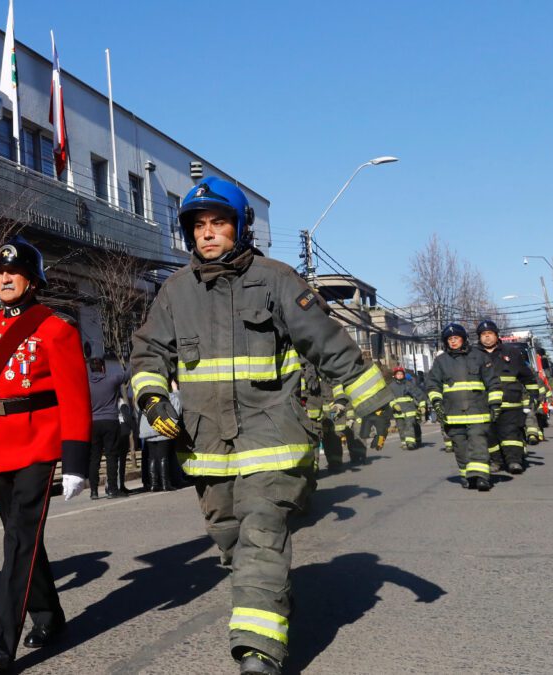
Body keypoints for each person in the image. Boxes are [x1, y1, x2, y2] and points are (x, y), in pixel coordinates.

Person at [129, 177, 392, 675]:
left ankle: (258, 652)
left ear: (241, 227)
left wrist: (373, 398)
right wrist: (151, 394)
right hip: (207, 446)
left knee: (261, 534)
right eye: (199, 226)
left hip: (274, 437)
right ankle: (268, 601)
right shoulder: (174, 292)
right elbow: (147, 353)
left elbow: (326, 341)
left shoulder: (277, 280)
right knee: (231, 541)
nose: (208, 234)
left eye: (219, 223)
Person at [0, 236, 91, 671]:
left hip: (36, 444)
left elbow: (75, 396)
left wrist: (76, 462)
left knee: (18, 542)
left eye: (13, 273)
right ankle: (50, 616)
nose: (4, 279)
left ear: (31, 279)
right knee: (23, 540)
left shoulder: (54, 327)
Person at [425, 323, 501, 491]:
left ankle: (482, 477)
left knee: (478, 443)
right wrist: (437, 403)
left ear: (463, 339)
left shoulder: (479, 357)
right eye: (450, 339)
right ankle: (468, 476)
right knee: (460, 447)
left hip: (478, 412)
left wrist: (495, 404)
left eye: (456, 338)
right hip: (452, 415)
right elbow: (432, 385)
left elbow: (493, 382)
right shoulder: (440, 361)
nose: (453, 342)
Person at [475, 321, 537, 474]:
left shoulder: (512, 353)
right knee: (490, 435)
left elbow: (527, 377)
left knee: (510, 433)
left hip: (510, 402)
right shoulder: (474, 356)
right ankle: (496, 461)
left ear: (497, 335)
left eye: (490, 334)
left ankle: (514, 461)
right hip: (484, 404)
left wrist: (534, 396)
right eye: (483, 334)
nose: (487, 337)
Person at [87, 356, 128, 499]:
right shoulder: (112, 379)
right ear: (103, 367)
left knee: (94, 457)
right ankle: (112, 489)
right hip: (111, 421)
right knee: (111, 456)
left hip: (93, 423)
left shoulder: (87, 384)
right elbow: (127, 374)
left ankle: (93, 491)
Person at [138, 386, 181, 491]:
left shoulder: (146, 397)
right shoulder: (169, 396)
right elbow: (177, 410)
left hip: (147, 429)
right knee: (163, 457)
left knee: (152, 457)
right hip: (162, 428)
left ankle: (154, 484)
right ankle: (165, 483)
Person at [389, 366, 426, 450]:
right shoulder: (391, 386)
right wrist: (394, 405)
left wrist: (422, 405)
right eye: (398, 374)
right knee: (401, 427)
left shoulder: (409, 384)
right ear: (394, 375)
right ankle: (404, 442)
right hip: (398, 411)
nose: (399, 375)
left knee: (409, 425)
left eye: (401, 374)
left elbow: (419, 394)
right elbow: (389, 398)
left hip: (410, 409)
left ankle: (410, 443)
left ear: (404, 375)